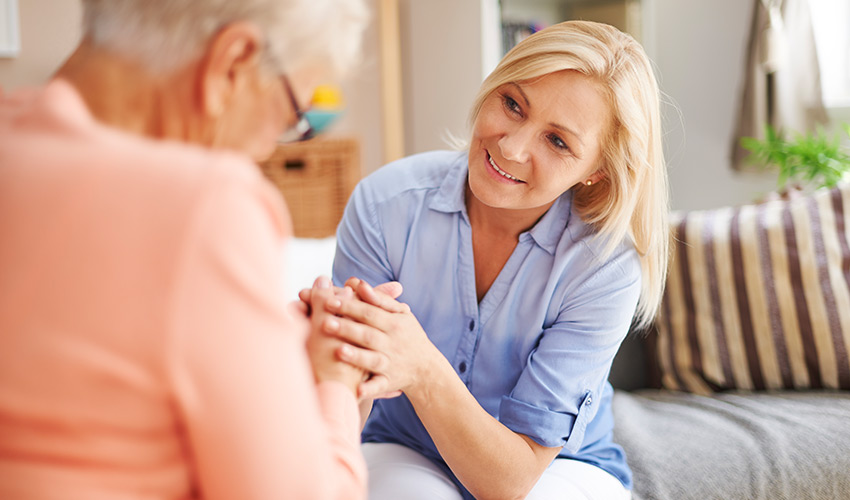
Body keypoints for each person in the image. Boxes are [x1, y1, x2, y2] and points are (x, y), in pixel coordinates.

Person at [0, 1, 377, 498]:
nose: (268, 149)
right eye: (289, 115)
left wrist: (270, 341)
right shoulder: (207, 205)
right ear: (234, 60)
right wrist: (337, 384)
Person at [309, 20, 669, 500]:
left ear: (596, 171)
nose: (512, 147)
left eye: (558, 141)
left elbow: (510, 481)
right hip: (404, 446)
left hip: (555, 467)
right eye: (513, 104)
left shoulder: (603, 266)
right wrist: (330, 358)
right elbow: (343, 404)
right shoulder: (384, 205)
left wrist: (419, 365)